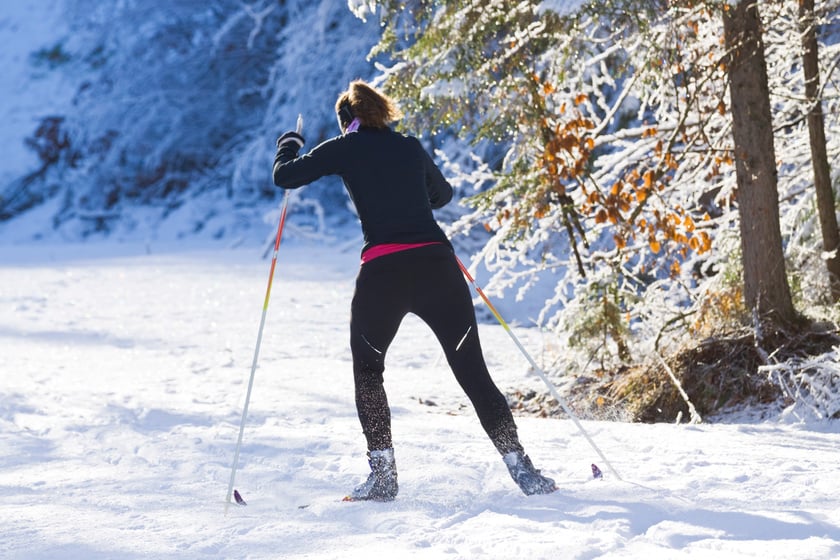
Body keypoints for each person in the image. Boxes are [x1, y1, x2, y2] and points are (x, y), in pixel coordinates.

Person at [272, 80, 556, 500]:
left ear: (347, 122)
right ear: (381, 113)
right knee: (474, 374)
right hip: (436, 268)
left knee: (369, 373)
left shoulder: (341, 148)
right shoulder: (408, 146)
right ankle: (523, 469)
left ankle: (383, 476)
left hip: (383, 274)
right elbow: (442, 194)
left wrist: (289, 143)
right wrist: (406, 192)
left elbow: (285, 176)